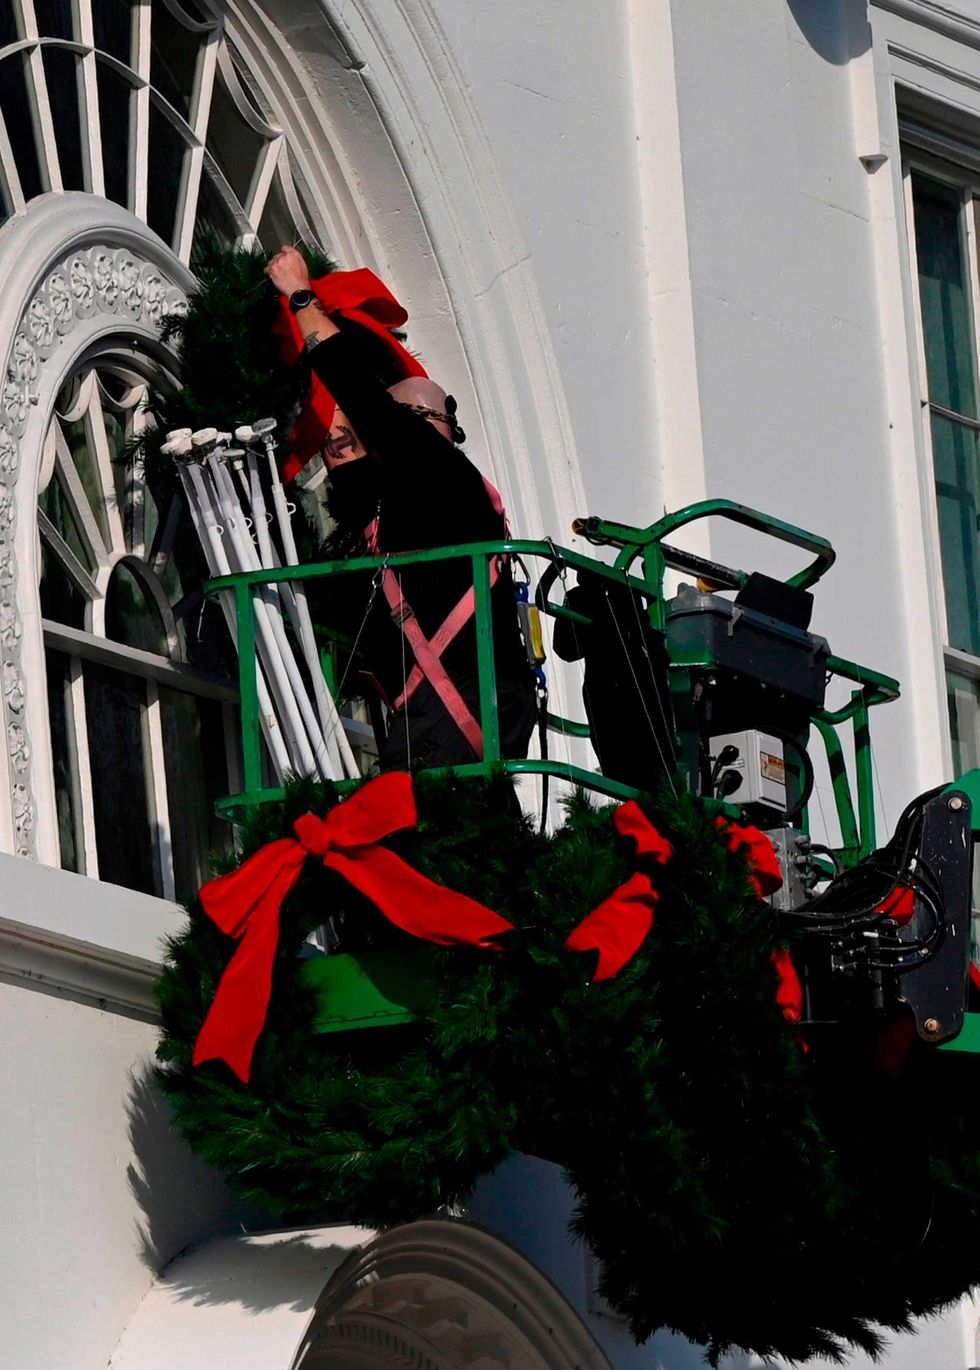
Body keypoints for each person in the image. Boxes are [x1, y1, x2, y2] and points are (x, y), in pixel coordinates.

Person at [265, 245, 537, 771]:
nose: (337, 436)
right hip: (447, 707)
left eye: (353, 427)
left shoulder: (442, 475)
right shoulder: (387, 517)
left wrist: (302, 298)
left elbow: (371, 406)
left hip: (461, 701)